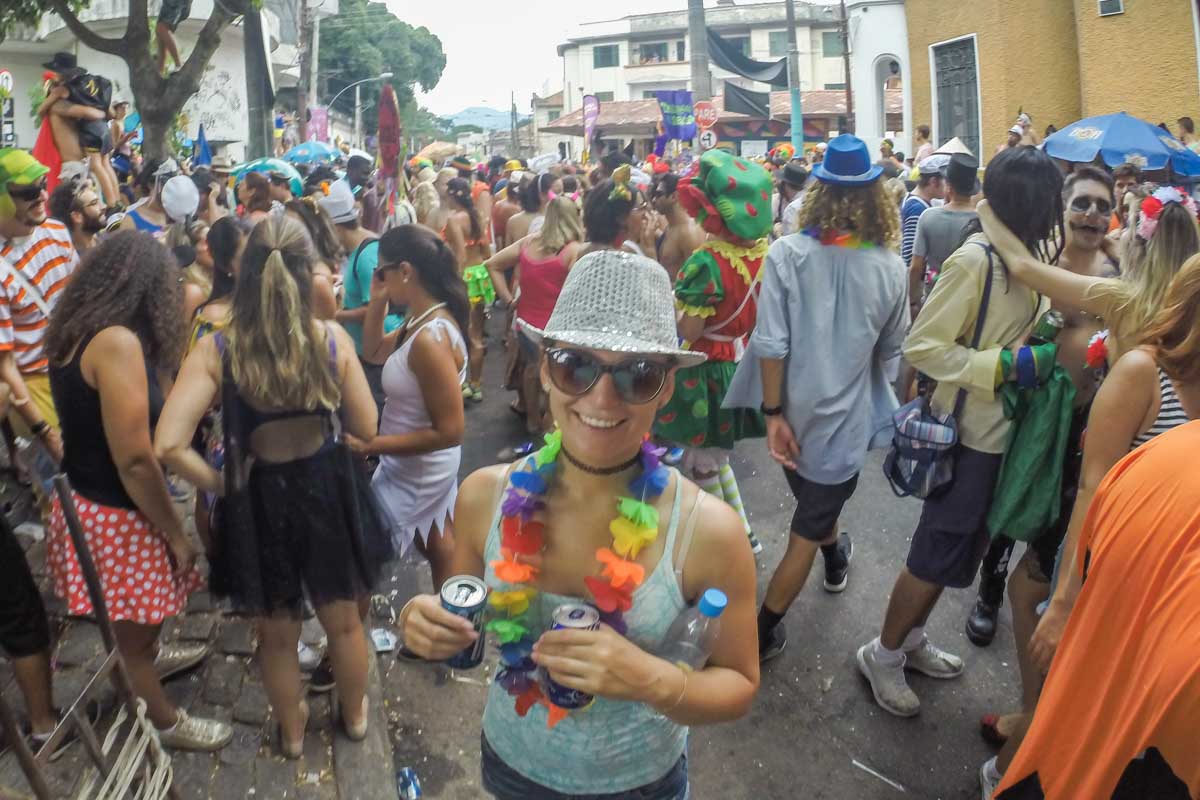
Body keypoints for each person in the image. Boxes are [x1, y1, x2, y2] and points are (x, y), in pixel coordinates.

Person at [399, 249, 759, 798]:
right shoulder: (482, 497)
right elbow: (460, 619)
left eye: (638, 376)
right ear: (543, 369)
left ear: (664, 389)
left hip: (639, 781)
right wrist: (420, 620)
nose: (601, 397)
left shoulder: (709, 531)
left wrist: (649, 679)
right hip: (512, 763)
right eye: (576, 365)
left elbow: (739, 684)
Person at [155, 215, 392, 758]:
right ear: (308, 269)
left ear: (244, 270)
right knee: (346, 626)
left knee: (278, 636)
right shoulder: (329, 339)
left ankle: (291, 731)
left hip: (260, 496)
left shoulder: (219, 348)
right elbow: (367, 428)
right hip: (329, 487)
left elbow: (168, 444)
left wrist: (218, 481)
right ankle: (354, 716)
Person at [980, 254, 1200, 795]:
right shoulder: (1142, 371)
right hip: (1103, 567)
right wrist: (1063, 600)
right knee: (1069, 697)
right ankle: (1009, 773)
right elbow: (1093, 488)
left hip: (1159, 584)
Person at [857, 146, 1060, 718]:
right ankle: (884, 653)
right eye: (1051, 202)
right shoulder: (977, 261)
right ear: (1032, 204)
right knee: (934, 553)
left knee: (957, 554)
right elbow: (922, 345)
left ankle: (911, 642)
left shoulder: (1023, 259)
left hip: (998, 440)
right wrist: (997, 366)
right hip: (966, 437)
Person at [43, 230, 227, 750]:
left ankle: (142, 658)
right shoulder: (116, 342)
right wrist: (175, 532)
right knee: (132, 631)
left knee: (131, 617)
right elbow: (135, 459)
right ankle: (162, 719)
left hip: (88, 499)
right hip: (116, 512)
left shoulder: (78, 328)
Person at [730, 133, 909, 661]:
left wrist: (773, 414)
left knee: (812, 511)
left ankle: (831, 562)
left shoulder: (785, 253)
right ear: (876, 197)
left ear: (819, 191)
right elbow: (892, 352)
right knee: (806, 528)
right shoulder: (890, 269)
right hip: (842, 427)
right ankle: (759, 635)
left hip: (789, 416)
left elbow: (770, 343)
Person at [970, 168, 1121, 751]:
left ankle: (1045, 720)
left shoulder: (1115, 276)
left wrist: (986, 211)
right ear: (1062, 209)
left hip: (1082, 437)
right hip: (1026, 417)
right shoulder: (1044, 252)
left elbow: (1031, 275)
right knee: (1001, 521)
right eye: (1079, 202)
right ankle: (989, 595)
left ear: (1113, 215)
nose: (1088, 212)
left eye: (1100, 205)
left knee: (1048, 569)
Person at [992, 421, 1200, 800]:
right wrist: (1063, 603)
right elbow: (1091, 487)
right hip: (1110, 748)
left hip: (1083, 749)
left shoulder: (1168, 451)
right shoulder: (1152, 410)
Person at [654, 150, 772, 556]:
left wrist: (671, 304)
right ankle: (745, 535)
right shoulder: (763, 254)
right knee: (714, 459)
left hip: (702, 370)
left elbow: (690, 329)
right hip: (734, 366)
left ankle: (723, 546)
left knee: (702, 464)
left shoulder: (708, 261)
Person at [349, 225, 468, 590]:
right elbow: (371, 351)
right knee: (436, 542)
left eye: (381, 270)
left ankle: (350, 641)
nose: (378, 277)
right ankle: (457, 625)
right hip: (409, 463)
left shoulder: (430, 339)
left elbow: (450, 431)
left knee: (359, 562)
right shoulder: (418, 319)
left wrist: (371, 445)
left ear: (405, 272)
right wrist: (378, 299)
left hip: (417, 470)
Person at [487, 197, 585, 441]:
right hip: (558, 328)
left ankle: (532, 419)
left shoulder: (528, 243)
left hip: (526, 324)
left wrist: (509, 300)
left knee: (532, 370)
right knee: (557, 375)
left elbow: (492, 264)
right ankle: (549, 423)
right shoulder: (573, 251)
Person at [0, 150, 75, 467]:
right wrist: (45, 432)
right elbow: (6, 367)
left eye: (42, 184)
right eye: (29, 191)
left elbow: (79, 301)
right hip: (34, 383)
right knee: (60, 484)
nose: (43, 195)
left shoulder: (57, 231)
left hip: (75, 365)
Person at [321, 179, 403, 411]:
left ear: (337, 228)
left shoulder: (367, 254)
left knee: (375, 410)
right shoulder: (360, 251)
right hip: (365, 347)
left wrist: (337, 315)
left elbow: (376, 307)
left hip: (376, 349)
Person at [909, 153, 980, 312]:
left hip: (933, 297)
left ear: (948, 185)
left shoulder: (928, 217)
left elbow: (916, 266)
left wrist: (911, 299)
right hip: (968, 301)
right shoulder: (982, 221)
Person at [445, 177, 493, 403]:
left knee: (463, 335)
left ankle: (463, 383)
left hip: (465, 279)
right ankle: (476, 384)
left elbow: (460, 257)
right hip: (480, 277)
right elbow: (486, 252)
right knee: (477, 335)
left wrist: (451, 282)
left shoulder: (454, 220)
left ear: (453, 195)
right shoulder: (476, 218)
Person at [284, 196, 343, 321]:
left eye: (293, 227)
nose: (285, 231)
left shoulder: (317, 278)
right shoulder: (291, 265)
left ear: (311, 231)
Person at [652, 171, 706, 281]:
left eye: (658, 195)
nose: (653, 200)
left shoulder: (689, 233)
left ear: (673, 197)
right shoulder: (670, 226)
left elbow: (697, 281)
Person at [901, 158, 946, 267]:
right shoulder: (917, 209)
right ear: (933, 182)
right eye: (946, 181)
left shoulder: (915, 201)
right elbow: (910, 257)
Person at [120, 158, 178, 235]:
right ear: (150, 185)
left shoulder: (178, 215)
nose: (171, 189)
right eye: (166, 183)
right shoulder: (130, 220)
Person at [47, 177, 104, 253]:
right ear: (77, 216)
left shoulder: (105, 239)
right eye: (94, 203)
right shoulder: (78, 262)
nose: (103, 207)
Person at [772, 161, 809, 241]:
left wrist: (777, 232)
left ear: (785, 184)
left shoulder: (796, 207)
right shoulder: (777, 200)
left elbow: (792, 242)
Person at [155, 0, 192, 73]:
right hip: (168, 4)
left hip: (177, 3)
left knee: (161, 28)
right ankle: (159, 72)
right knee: (160, 33)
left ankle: (178, 64)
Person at [1109, 162, 1141, 233]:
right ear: (1113, 189)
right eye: (1120, 185)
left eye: (1130, 185)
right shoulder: (1106, 220)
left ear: (1139, 187)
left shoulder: (1145, 221)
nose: (1125, 190)